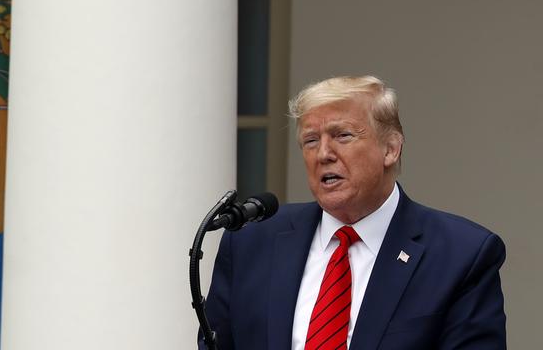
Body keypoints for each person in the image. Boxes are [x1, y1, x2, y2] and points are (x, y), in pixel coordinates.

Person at [201, 76, 506, 349]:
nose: (323, 154)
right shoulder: (251, 241)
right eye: (310, 140)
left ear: (390, 149)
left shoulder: (461, 255)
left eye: (342, 136)